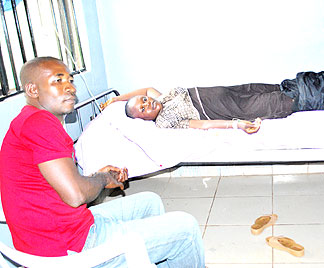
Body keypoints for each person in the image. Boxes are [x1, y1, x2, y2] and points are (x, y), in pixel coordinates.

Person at [0, 56, 205, 267]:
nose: (70, 88)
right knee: (186, 229)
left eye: (70, 80)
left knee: (149, 201)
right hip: (68, 247)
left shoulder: (28, 121)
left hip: (56, 231)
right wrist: (101, 178)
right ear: (33, 90)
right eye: (58, 81)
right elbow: (76, 195)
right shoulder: (40, 124)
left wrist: (94, 177)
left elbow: (54, 184)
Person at [101, 67, 324, 134]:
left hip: (236, 89)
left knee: (291, 85)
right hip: (233, 107)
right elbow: (201, 125)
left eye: (142, 101)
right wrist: (236, 124)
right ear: (142, 119)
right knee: (296, 99)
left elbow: (147, 87)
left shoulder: (160, 98)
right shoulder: (165, 122)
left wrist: (115, 102)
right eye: (141, 109)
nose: (146, 104)